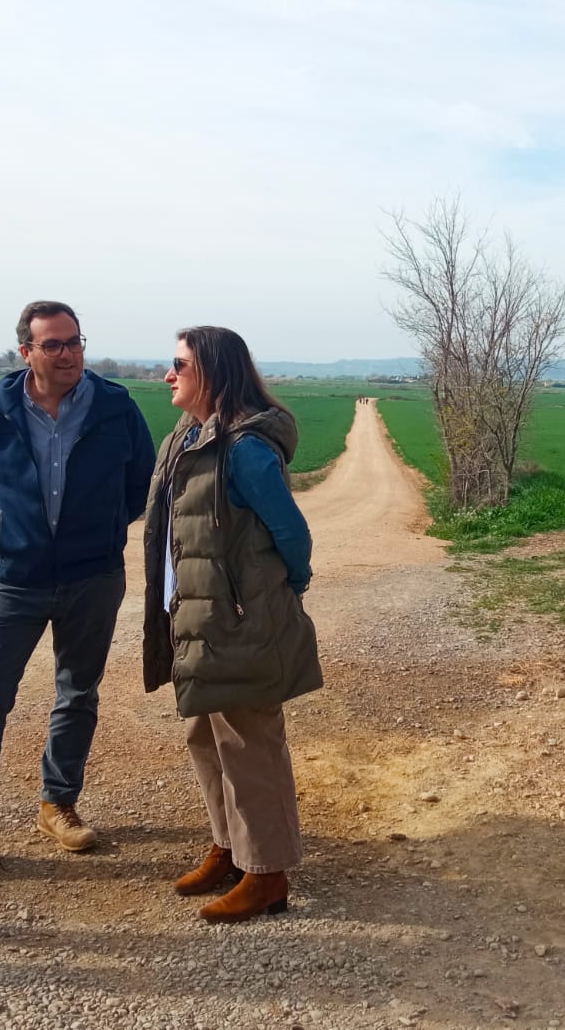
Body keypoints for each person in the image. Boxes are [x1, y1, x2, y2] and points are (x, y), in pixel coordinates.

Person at [0, 301, 156, 885]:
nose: (69, 353)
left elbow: (138, 484)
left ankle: (58, 803)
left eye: (75, 342)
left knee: (77, 692)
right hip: (14, 579)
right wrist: (10, 533)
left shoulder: (116, 406)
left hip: (92, 575)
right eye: (54, 345)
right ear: (27, 352)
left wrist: (95, 532)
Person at [142, 326, 321, 923]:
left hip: (237, 620)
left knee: (250, 744)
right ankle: (231, 847)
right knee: (206, 736)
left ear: (213, 373)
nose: (169, 374)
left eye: (180, 364)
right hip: (192, 617)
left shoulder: (244, 448)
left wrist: (279, 594)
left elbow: (292, 535)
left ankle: (267, 875)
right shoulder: (185, 439)